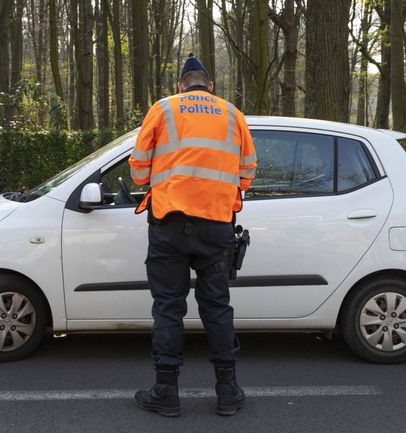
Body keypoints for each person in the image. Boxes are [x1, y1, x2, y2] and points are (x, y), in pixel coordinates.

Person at [128, 53, 257, 417]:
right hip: (216, 225)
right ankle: (228, 392)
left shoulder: (164, 108)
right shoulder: (232, 114)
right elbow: (247, 171)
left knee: (168, 306)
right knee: (216, 306)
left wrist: (159, 179)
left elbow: (139, 168)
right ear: (210, 86)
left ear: (181, 86)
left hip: (169, 223)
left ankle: (166, 393)